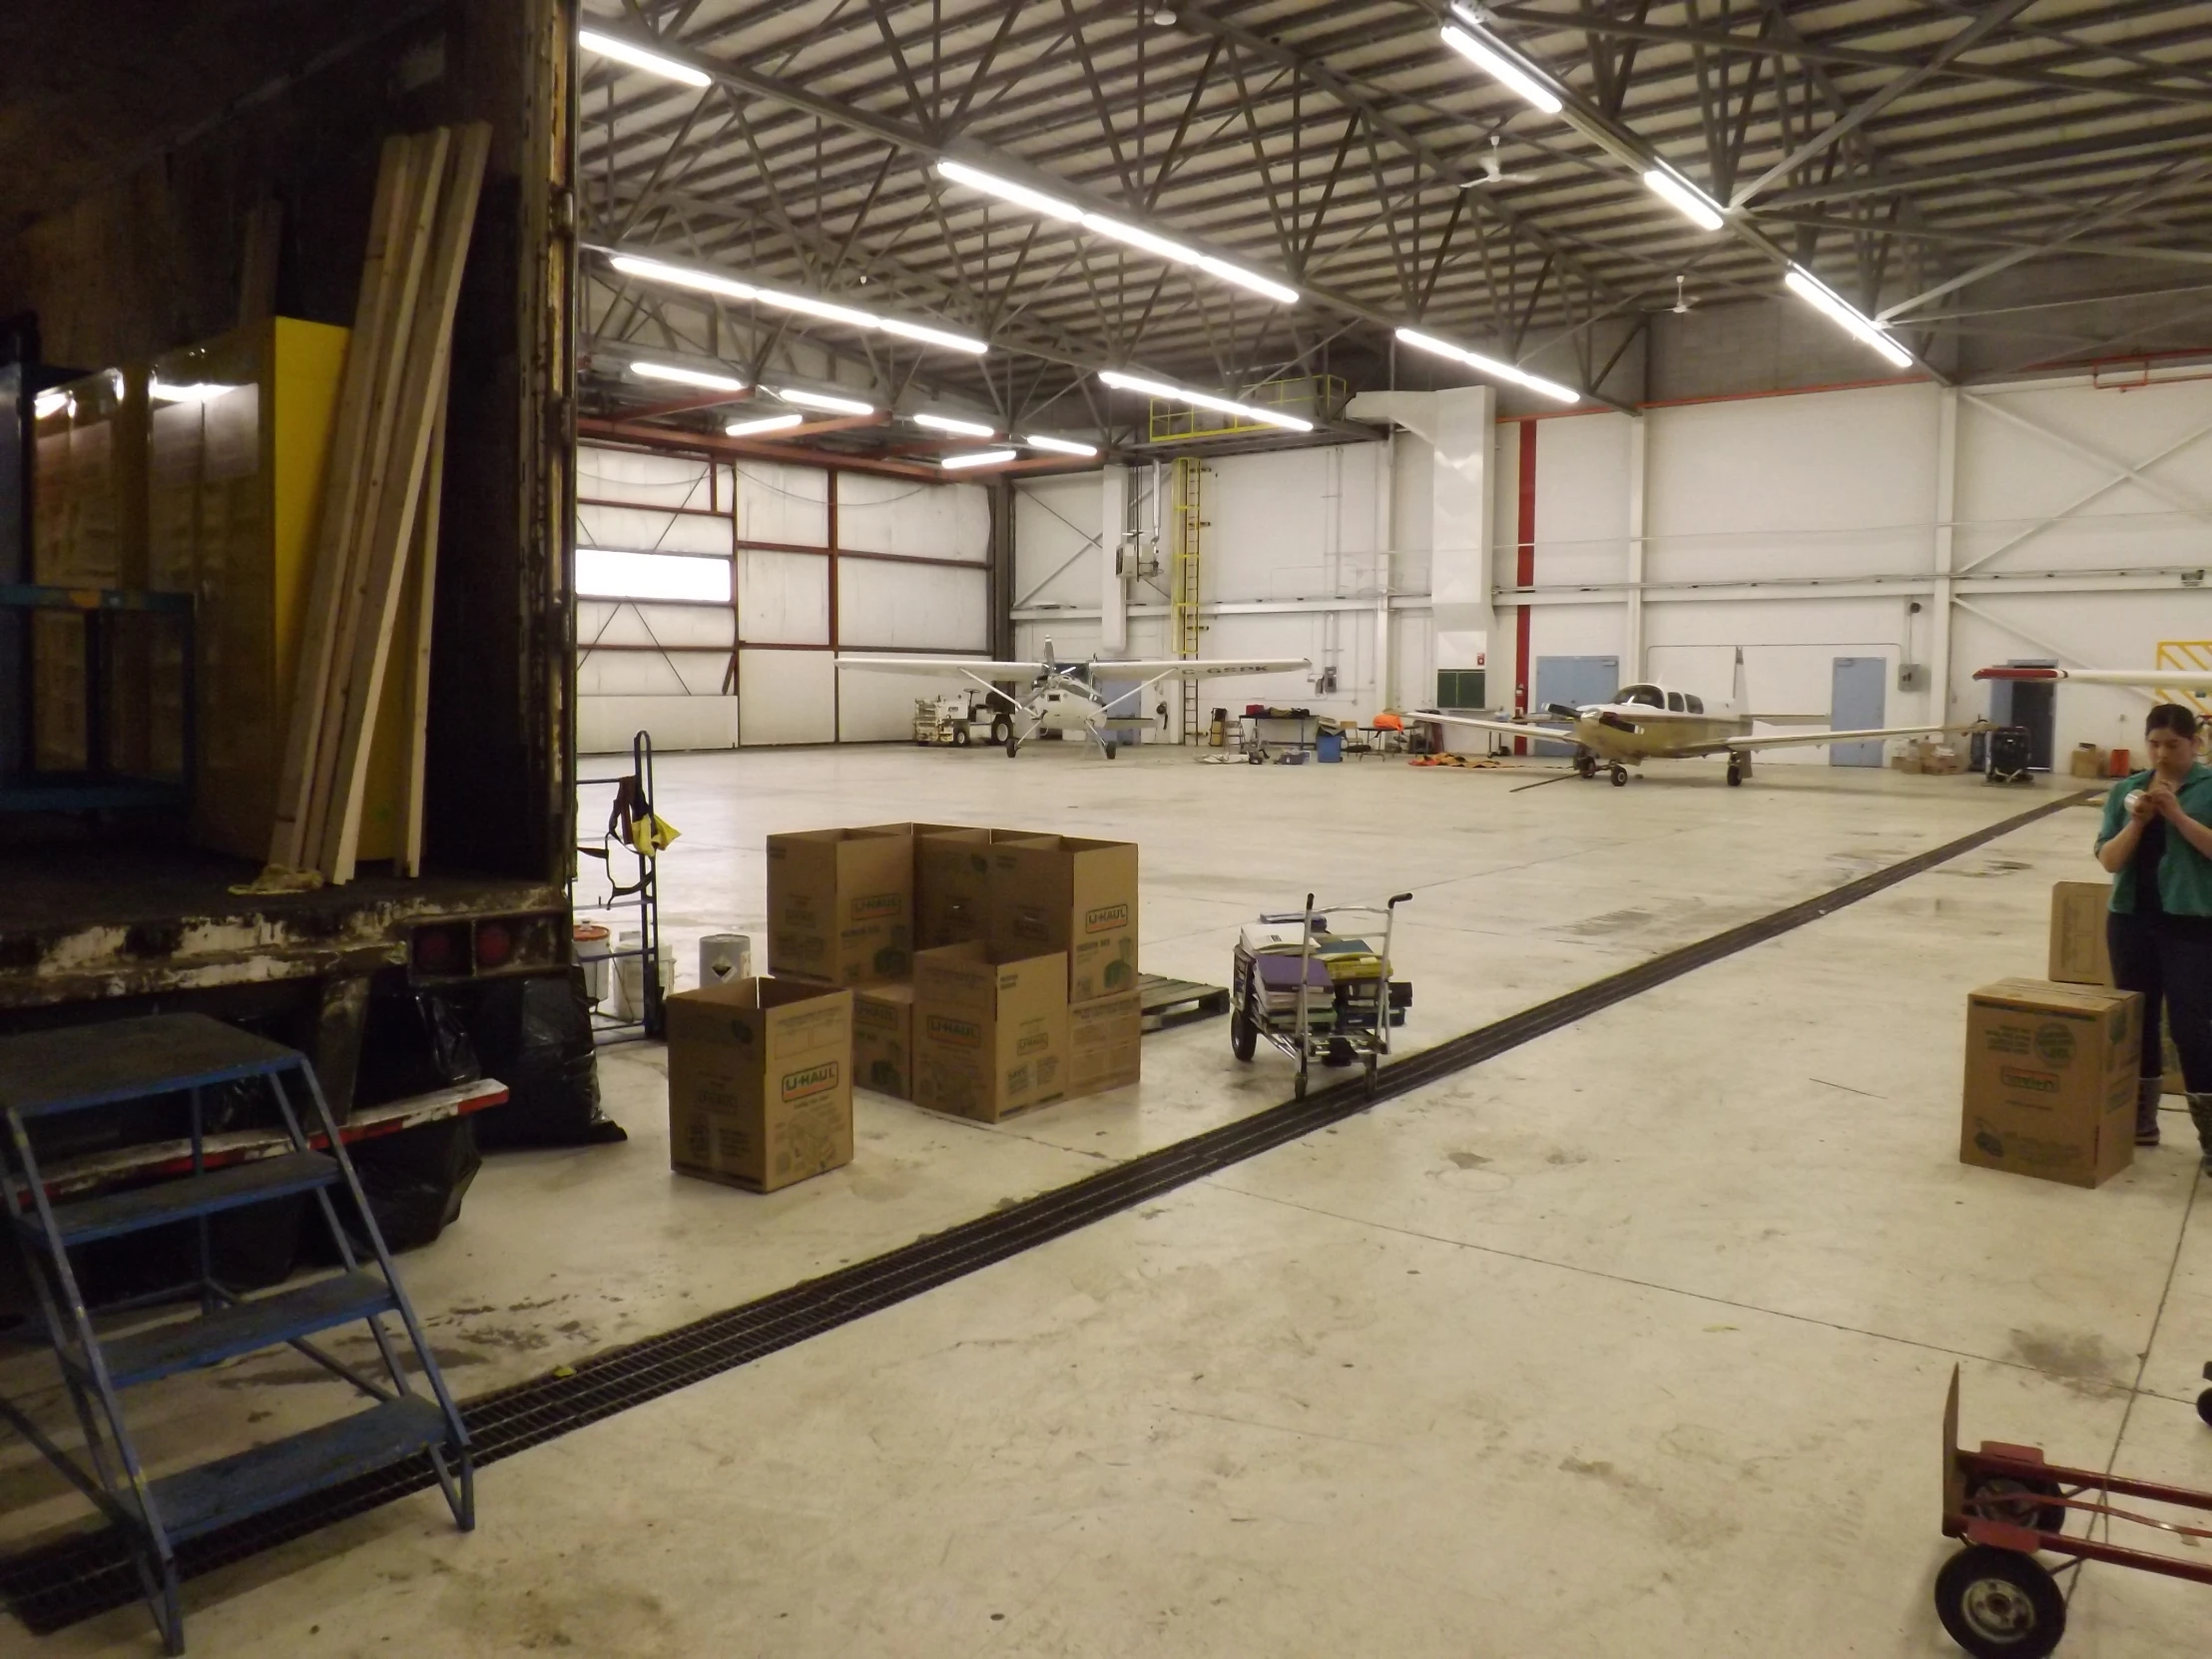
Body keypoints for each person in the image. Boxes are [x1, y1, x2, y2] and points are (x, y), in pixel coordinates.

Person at [2095, 704, 2212, 1165]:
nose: (2163, 754)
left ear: (2195, 744)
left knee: (2191, 1025)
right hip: (2131, 920)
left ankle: (2209, 1134)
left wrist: (2178, 816)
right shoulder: (2126, 790)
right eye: (2155, 744)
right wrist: (2139, 822)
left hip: (2191, 923)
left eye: (2174, 745)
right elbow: (2108, 860)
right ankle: (2140, 1121)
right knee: (2136, 1021)